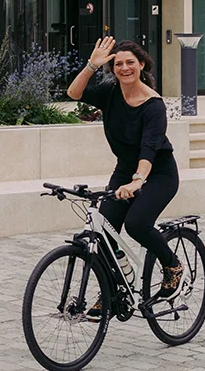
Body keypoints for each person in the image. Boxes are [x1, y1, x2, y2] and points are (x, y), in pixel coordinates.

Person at [65, 37, 185, 313]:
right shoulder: (110, 92)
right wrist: (91, 65)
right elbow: (74, 93)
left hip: (158, 173)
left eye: (130, 62)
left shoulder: (153, 105)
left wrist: (138, 181)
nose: (124, 68)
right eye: (118, 64)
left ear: (142, 65)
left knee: (137, 223)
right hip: (124, 171)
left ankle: (172, 265)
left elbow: (149, 149)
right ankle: (114, 288)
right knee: (103, 232)